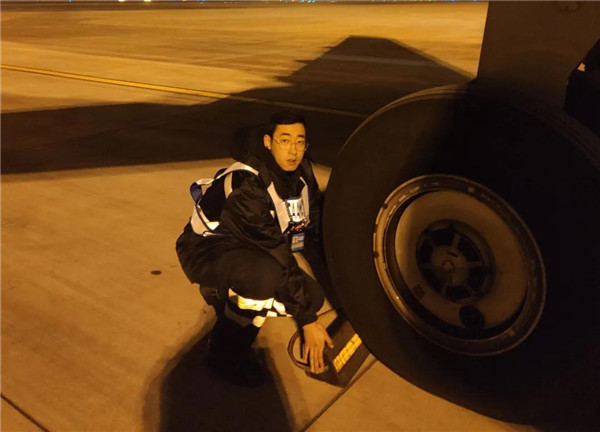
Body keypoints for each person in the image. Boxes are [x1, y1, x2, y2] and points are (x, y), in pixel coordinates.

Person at [176, 110, 334, 386]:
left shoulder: (301, 173)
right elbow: (276, 250)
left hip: (250, 247)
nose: (293, 150)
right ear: (268, 142)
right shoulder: (247, 185)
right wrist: (308, 321)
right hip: (206, 249)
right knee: (263, 278)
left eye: (300, 141)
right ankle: (223, 355)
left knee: (313, 297)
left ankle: (225, 292)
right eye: (285, 140)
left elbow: (315, 226)